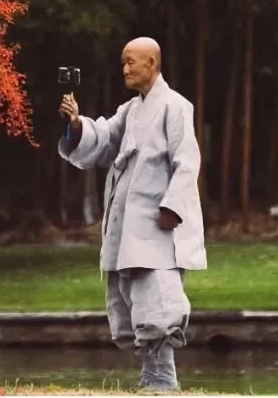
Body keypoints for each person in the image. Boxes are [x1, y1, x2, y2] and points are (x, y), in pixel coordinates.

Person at [58, 37, 206, 393]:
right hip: (128, 227)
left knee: (158, 302)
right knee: (129, 304)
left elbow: (187, 161)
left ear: (152, 63)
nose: (125, 68)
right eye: (123, 62)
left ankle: (162, 380)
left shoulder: (175, 106)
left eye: (131, 62)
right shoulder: (131, 110)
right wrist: (78, 123)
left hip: (158, 226)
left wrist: (172, 206)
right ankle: (151, 376)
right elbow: (105, 139)